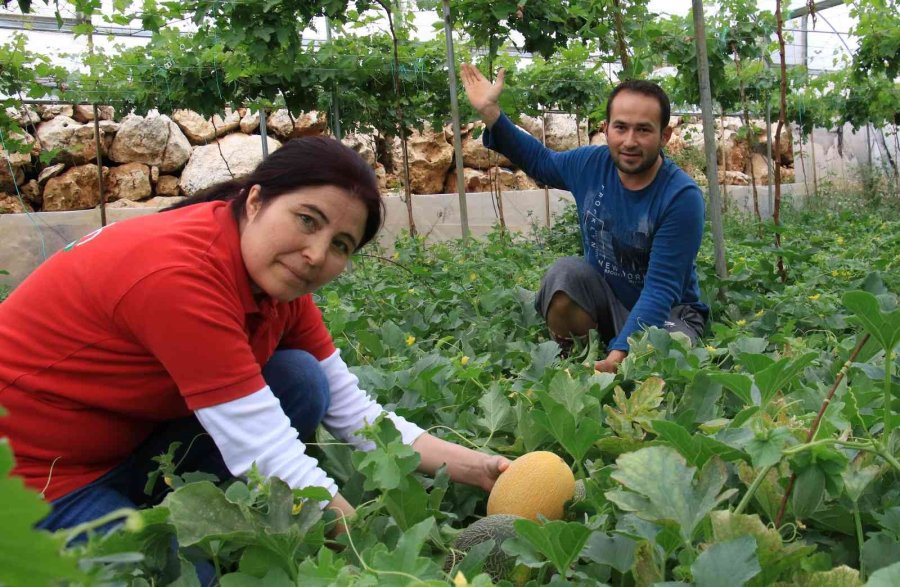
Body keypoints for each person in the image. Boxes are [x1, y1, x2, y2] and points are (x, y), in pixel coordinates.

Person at [0, 137, 509, 542]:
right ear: (257, 199)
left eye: (340, 245)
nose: (315, 254)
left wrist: (481, 469)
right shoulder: (180, 276)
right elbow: (269, 452)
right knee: (171, 577)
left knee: (300, 380)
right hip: (35, 474)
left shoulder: (278, 285)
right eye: (307, 220)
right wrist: (373, 549)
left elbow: (356, 414)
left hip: (126, 447)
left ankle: (154, 506)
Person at [460, 64, 709, 372]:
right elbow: (540, 160)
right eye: (621, 127)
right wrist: (491, 113)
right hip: (605, 298)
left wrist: (620, 357)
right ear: (606, 129)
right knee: (563, 275)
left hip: (669, 311)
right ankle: (575, 358)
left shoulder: (680, 197)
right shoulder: (591, 164)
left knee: (670, 357)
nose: (630, 141)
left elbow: (661, 288)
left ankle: (614, 355)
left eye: (643, 129)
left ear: (665, 135)